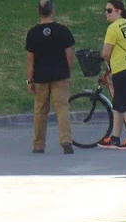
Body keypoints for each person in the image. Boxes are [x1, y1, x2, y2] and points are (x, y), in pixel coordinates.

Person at [25, 0, 77, 154]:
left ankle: (38, 145)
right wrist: (69, 71)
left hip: (40, 77)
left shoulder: (33, 33)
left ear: (38, 11)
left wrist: (30, 79)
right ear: (52, 10)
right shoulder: (63, 31)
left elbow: (30, 59)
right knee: (62, 108)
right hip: (60, 75)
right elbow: (69, 55)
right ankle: (66, 141)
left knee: (40, 111)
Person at [97, 0, 126, 150]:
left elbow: (105, 53)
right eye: (106, 10)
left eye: (109, 10)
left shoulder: (113, 28)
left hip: (122, 70)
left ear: (119, 11)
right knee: (118, 104)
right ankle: (115, 138)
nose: (106, 13)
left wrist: (102, 58)